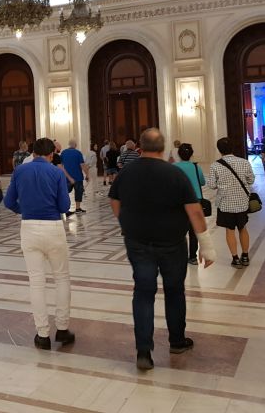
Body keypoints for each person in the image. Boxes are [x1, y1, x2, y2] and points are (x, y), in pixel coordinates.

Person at [109, 129, 215, 371]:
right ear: (164, 147)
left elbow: (114, 200)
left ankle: (144, 351)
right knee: (175, 291)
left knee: (143, 293)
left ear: (140, 147)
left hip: (138, 243)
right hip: (172, 244)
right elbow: (195, 211)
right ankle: (177, 340)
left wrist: (125, 222)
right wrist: (207, 247)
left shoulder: (126, 173)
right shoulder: (174, 173)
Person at [4, 137, 76, 350]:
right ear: (52, 154)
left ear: (33, 153)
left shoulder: (19, 171)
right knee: (61, 278)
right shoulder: (55, 173)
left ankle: (42, 334)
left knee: (36, 282)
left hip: (29, 227)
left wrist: (24, 210)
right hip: (53, 227)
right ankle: (62, 329)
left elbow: (8, 202)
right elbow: (64, 205)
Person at [207, 138, 255, 269]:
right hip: (242, 202)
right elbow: (251, 179)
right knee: (243, 228)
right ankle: (245, 256)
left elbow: (211, 185)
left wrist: (221, 184)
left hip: (225, 202)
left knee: (230, 230)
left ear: (219, 150)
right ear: (233, 148)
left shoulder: (215, 165)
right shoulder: (244, 162)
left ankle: (235, 258)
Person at [173, 143, 207, 265]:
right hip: (195, 201)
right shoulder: (196, 167)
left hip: (179, 202)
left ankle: (178, 256)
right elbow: (202, 182)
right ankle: (192, 257)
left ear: (179, 154)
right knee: (194, 231)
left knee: (179, 230)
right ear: (191, 154)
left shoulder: (174, 167)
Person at [61, 139, 89, 214]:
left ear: (69, 145)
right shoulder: (78, 153)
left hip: (67, 178)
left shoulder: (63, 152)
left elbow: (61, 166)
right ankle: (78, 208)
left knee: (65, 193)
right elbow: (82, 165)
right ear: (75, 145)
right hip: (78, 177)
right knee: (78, 193)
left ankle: (66, 209)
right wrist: (87, 175)